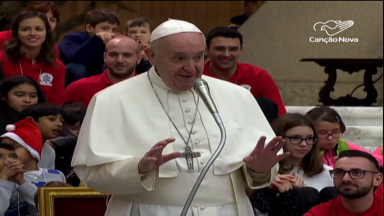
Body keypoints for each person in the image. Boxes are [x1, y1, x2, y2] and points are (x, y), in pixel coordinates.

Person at [72, 19, 289, 216]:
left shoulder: (237, 96)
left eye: (198, 57)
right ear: (151, 55)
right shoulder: (111, 99)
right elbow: (91, 172)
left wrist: (258, 169)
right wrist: (138, 168)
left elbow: (260, 170)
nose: (191, 68)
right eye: (179, 58)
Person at [203, 27, 287, 116]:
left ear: (241, 50)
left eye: (233, 49)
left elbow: (280, 117)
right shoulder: (196, 76)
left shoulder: (259, 76)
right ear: (206, 50)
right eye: (220, 49)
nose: (226, 54)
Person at [0, 11, 65, 104]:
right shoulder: (2, 59)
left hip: (41, 116)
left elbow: (55, 103)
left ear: (47, 33)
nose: (33, 33)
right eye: (25, 29)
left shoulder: (57, 66)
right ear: (16, 33)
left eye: (39, 29)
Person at [61, 35, 141, 107]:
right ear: (105, 57)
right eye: (113, 54)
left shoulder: (150, 89)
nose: (120, 60)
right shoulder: (79, 88)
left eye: (127, 55)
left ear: (139, 58)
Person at [305, 150, 383, 216]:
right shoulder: (320, 213)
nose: (345, 178)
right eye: (339, 172)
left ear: (377, 179)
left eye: (357, 173)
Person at [305, 106, 383, 167]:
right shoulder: (304, 150)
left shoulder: (343, 145)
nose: (330, 138)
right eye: (323, 133)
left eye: (335, 132)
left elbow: (372, 159)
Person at [59, 8, 120, 85]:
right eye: (105, 28)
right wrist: (96, 38)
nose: (110, 32)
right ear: (89, 28)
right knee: (78, 69)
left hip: (97, 74)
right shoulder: (72, 38)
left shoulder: (115, 41)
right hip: (75, 75)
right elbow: (75, 57)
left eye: (114, 29)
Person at [0, 143, 37, 216]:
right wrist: (4, 178)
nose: (9, 161)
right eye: (0, 157)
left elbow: (47, 205)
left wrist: (21, 181)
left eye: (13, 157)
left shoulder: (20, 184)